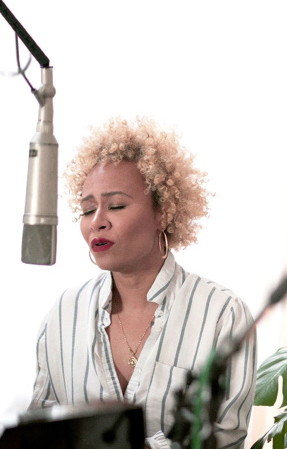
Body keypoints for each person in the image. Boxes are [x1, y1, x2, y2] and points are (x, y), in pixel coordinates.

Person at [28, 117, 256, 449]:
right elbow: (41, 427)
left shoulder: (222, 314)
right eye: (87, 209)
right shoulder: (64, 313)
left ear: (163, 212)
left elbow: (225, 437)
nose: (97, 222)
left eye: (116, 206)